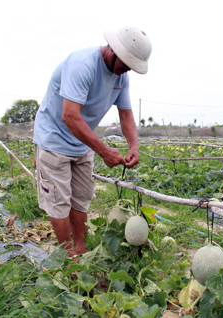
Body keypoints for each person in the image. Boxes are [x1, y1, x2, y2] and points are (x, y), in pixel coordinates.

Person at [33, 26, 152, 258]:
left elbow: (126, 115)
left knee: (81, 197)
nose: (127, 69)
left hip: (81, 141)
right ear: (113, 50)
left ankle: (80, 247)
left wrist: (134, 145)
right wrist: (104, 151)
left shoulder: (122, 77)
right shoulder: (82, 65)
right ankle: (68, 255)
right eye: (127, 62)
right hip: (53, 139)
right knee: (59, 201)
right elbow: (69, 115)